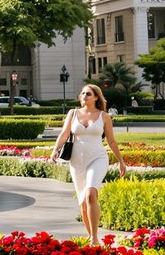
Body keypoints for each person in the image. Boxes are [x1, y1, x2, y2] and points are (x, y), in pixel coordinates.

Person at [49, 83, 127, 246]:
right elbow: (64, 134)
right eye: (83, 93)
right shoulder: (73, 113)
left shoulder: (104, 116)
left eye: (88, 94)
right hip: (77, 162)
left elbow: (111, 140)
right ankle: (91, 236)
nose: (84, 96)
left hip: (98, 158)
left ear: (96, 97)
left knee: (91, 194)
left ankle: (95, 237)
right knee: (83, 202)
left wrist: (121, 161)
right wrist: (54, 151)